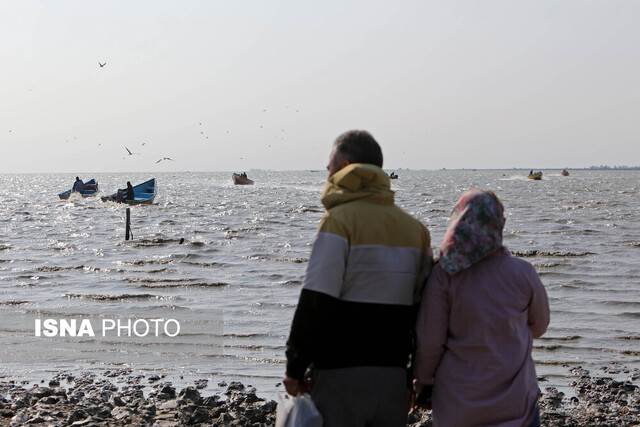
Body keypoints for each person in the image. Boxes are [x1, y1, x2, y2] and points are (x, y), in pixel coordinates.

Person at [283, 130, 433, 426]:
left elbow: (316, 299)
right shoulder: (415, 230)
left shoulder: (338, 221)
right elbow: (423, 314)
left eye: (329, 166)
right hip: (391, 378)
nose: (326, 172)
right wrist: (413, 376)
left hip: (340, 375)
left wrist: (295, 367)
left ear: (345, 165)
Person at [413, 189, 550, 427]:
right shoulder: (522, 272)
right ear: (499, 225)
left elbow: (430, 342)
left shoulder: (444, 275)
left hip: (458, 407)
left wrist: (423, 381)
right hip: (517, 407)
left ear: (458, 222)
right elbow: (539, 326)